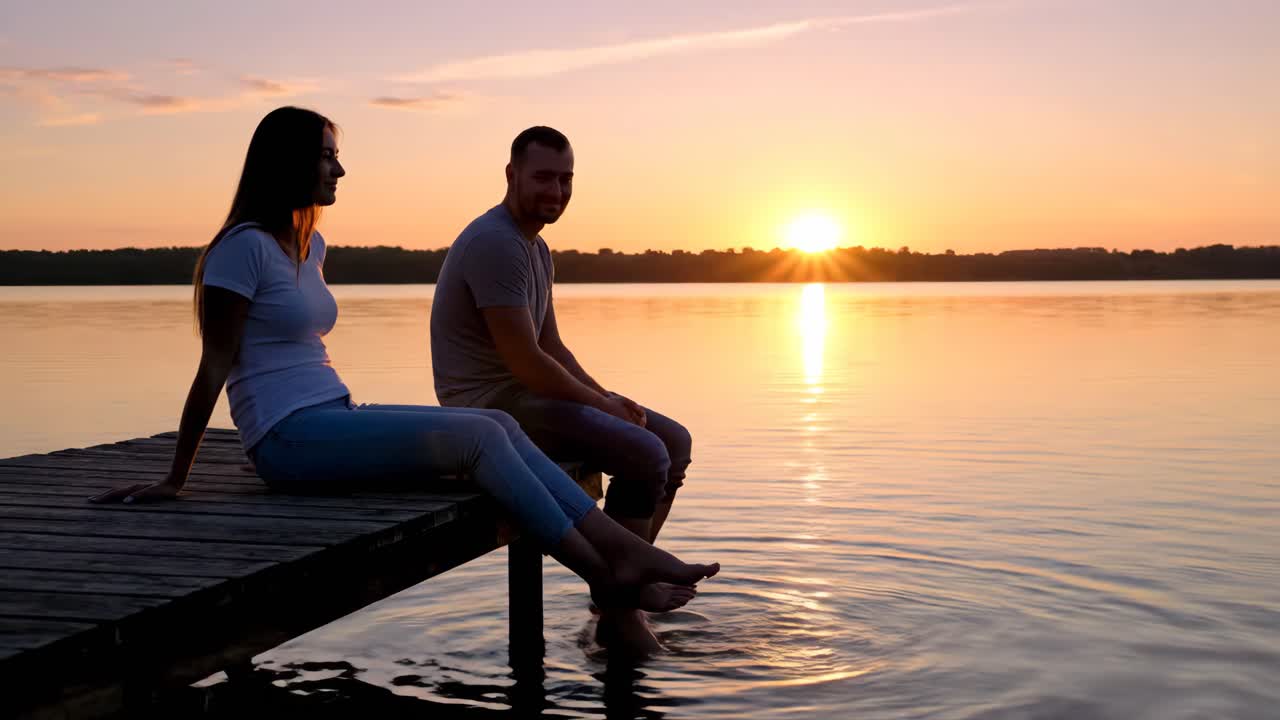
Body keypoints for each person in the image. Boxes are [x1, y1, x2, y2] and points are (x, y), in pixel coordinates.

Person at [89, 107, 718, 621]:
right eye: (328, 156)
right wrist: (178, 475)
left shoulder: (310, 247)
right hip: (284, 441)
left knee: (495, 429)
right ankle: (609, 569)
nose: (340, 169)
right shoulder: (240, 250)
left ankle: (621, 561)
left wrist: (603, 396)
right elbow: (214, 366)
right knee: (481, 432)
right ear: (290, 162)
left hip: (330, 415)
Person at [430, 126, 696, 654]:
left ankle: (622, 586)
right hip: (488, 409)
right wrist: (598, 405)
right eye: (544, 177)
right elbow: (525, 362)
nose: (556, 191)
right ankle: (623, 606)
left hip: (529, 397)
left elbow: (550, 345)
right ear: (512, 175)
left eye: (566, 179)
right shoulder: (495, 243)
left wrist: (610, 399)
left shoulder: (536, 248)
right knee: (644, 452)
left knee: (674, 440)